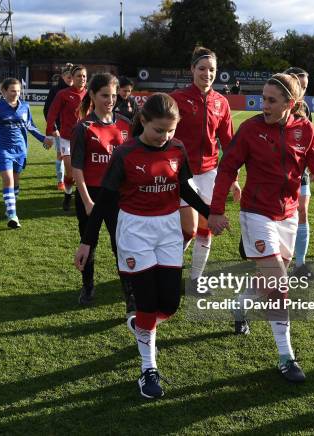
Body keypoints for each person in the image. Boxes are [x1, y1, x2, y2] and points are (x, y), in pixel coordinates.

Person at [208, 73, 314, 383]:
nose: (263, 104)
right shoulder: (250, 129)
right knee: (278, 283)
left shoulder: (303, 129)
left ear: (290, 104)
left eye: (271, 100)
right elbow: (227, 168)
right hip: (256, 214)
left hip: (288, 215)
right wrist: (215, 211)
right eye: (262, 98)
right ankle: (285, 356)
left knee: (269, 281)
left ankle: (239, 307)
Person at [74, 93, 210, 399]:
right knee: (147, 303)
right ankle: (148, 369)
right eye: (158, 130)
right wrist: (87, 243)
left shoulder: (177, 149)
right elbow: (104, 201)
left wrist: (209, 213)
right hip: (135, 230)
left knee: (170, 305)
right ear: (143, 121)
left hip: (168, 229)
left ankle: (142, 325)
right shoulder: (125, 154)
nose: (165, 137)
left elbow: (185, 188)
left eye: (171, 131)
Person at [170, 46, 238, 293]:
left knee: (205, 228)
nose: (207, 74)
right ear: (192, 69)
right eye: (202, 69)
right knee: (186, 229)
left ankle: (196, 279)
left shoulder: (222, 102)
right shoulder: (177, 99)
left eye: (212, 70)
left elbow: (229, 143)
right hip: (181, 173)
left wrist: (234, 179)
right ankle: (168, 271)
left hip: (210, 173)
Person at [70, 73, 135, 315]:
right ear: (92, 95)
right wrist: (87, 200)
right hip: (91, 194)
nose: (110, 100)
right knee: (89, 243)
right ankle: (87, 286)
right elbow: (76, 167)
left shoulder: (126, 125)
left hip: (119, 196)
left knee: (122, 246)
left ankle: (129, 293)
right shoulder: (83, 127)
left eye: (114, 95)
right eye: (104, 95)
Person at [0, 78, 53, 228]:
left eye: (18, 91)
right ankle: (12, 214)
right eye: (13, 91)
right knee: (8, 179)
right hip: (2, 149)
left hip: (20, 150)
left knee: (15, 180)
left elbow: (30, 126)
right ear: (4, 91)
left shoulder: (25, 107)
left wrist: (43, 139)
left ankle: (10, 207)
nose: (16, 94)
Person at [285, 67, 314, 279]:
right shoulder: (278, 104)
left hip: (301, 171)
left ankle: (300, 264)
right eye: (299, 84)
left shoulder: (305, 108)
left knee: (302, 212)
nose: (302, 90)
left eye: (305, 87)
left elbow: (310, 140)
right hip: (279, 172)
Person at [46, 65, 88, 211]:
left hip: (85, 139)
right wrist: (49, 132)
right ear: (72, 78)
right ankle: (68, 194)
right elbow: (52, 112)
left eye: (84, 76)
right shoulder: (63, 94)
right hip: (66, 139)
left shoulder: (90, 95)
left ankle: (83, 198)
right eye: (79, 76)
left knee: (86, 172)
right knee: (70, 172)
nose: (82, 78)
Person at [44, 63, 73, 191]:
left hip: (76, 130)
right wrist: (53, 128)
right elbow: (47, 110)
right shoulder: (56, 90)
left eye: (73, 76)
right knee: (61, 155)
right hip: (60, 130)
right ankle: (60, 181)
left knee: (76, 155)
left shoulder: (79, 89)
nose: (71, 79)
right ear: (63, 76)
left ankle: (73, 178)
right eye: (68, 76)